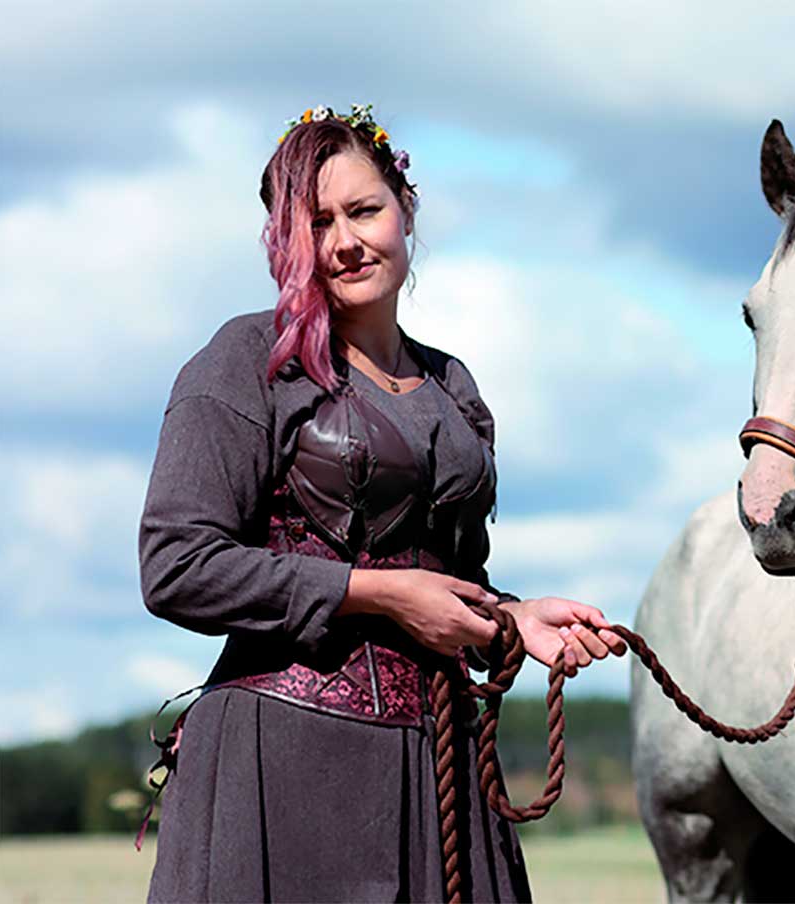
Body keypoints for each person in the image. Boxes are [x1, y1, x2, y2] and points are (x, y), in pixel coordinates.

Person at [139, 104, 626, 902]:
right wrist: (379, 596)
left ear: (406, 208)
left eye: (364, 210)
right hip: (284, 765)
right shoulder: (245, 363)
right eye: (316, 224)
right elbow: (176, 566)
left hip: (443, 763)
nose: (344, 242)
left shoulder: (451, 386)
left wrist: (513, 616)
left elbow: (443, 581)